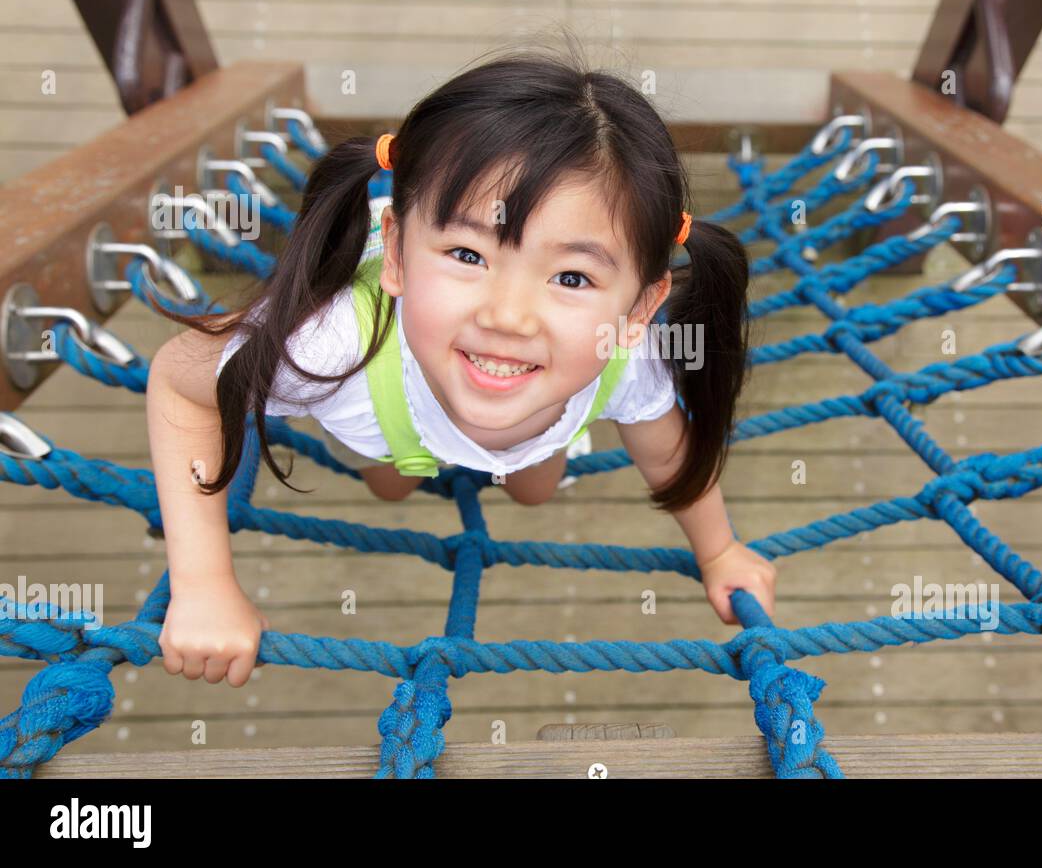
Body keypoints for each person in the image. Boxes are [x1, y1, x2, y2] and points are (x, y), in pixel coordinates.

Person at [145, 42, 773, 688]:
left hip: (532, 407)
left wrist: (719, 549)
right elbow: (180, 383)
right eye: (469, 256)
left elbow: (669, 454)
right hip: (386, 399)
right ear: (395, 253)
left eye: (571, 276)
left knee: (532, 487)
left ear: (640, 306)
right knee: (391, 480)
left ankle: (527, 451)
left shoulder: (619, 348)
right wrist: (203, 582)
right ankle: (416, 453)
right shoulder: (329, 343)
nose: (508, 315)